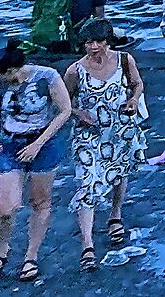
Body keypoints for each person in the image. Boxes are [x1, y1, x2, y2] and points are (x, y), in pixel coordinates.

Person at [0, 41, 74, 282]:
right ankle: (1, 251)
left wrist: (37, 144)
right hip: (9, 145)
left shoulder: (47, 77)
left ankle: (31, 255)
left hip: (43, 145)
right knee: (6, 208)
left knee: (40, 202)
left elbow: (64, 111)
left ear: (11, 71)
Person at [62, 20, 147, 271]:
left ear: (107, 41)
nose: (93, 47)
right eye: (89, 42)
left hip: (120, 128)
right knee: (87, 183)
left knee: (120, 171)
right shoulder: (75, 71)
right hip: (88, 134)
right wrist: (78, 113)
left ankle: (115, 213)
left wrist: (133, 100)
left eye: (98, 41)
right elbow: (62, 102)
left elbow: (137, 84)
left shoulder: (124, 60)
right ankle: (87, 245)